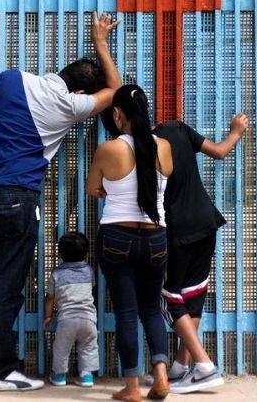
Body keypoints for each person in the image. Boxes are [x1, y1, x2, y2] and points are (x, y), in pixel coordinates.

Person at [0, 12, 121, 392]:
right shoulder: (69, 106)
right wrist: (100, 41)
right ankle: (0, 371)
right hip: (17, 197)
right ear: (80, 94)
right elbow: (114, 91)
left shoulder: (12, 78)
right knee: (7, 285)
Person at [86, 85, 174, 402]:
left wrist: (112, 190)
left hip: (117, 237)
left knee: (126, 312)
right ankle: (161, 377)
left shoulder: (109, 149)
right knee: (152, 309)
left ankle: (133, 388)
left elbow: (92, 188)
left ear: (117, 113)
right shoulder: (163, 147)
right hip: (155, 237)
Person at [155, 113, 246, 393]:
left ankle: (204, 365)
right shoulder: (178, 129)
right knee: (192, 293)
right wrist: (236, 132)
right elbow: (219, 152)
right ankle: (181, 368)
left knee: (170, 297)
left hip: (177, 228)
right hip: (205, 222)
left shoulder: (142, 143)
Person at [43, 231, 98, 388]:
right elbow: (91, 289)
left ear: (59, 253)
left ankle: (59, 376)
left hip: (67, 319)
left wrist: (48, 316)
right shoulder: (89, 271)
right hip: (89, 319)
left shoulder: (57, 274)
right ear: (86, 254)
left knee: (61, 348)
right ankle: (86, 377)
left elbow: (49, 298)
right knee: (88, 347)